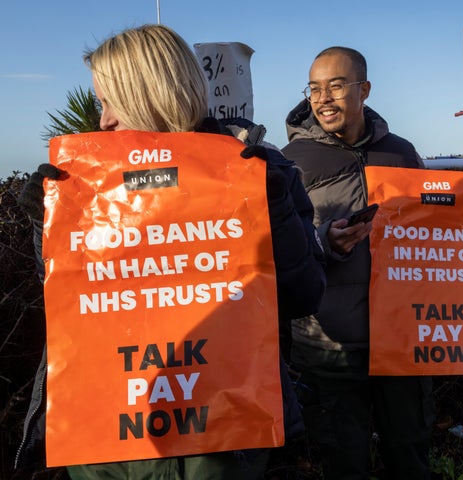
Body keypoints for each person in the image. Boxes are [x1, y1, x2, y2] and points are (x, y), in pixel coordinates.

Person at [15, 24, 325, 480]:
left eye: (109, 101)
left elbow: (304, 296)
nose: (103, 120)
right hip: (108, 435)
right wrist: (50, 225)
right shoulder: (86, 183)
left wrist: (272, 209)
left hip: (220, 437)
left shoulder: (257, 167)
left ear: (151, 92)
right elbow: (78, 305)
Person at [282, 46, 463, 480]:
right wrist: (324, 241)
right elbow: (278, 245)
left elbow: (438, 223)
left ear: (364, 89)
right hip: (331, 345)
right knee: (343, 462)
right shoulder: (292, 161)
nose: (323, 98)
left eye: (335, 85)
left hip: (405, 337)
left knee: (409, 454)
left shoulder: (402, 152)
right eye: (314, 89)